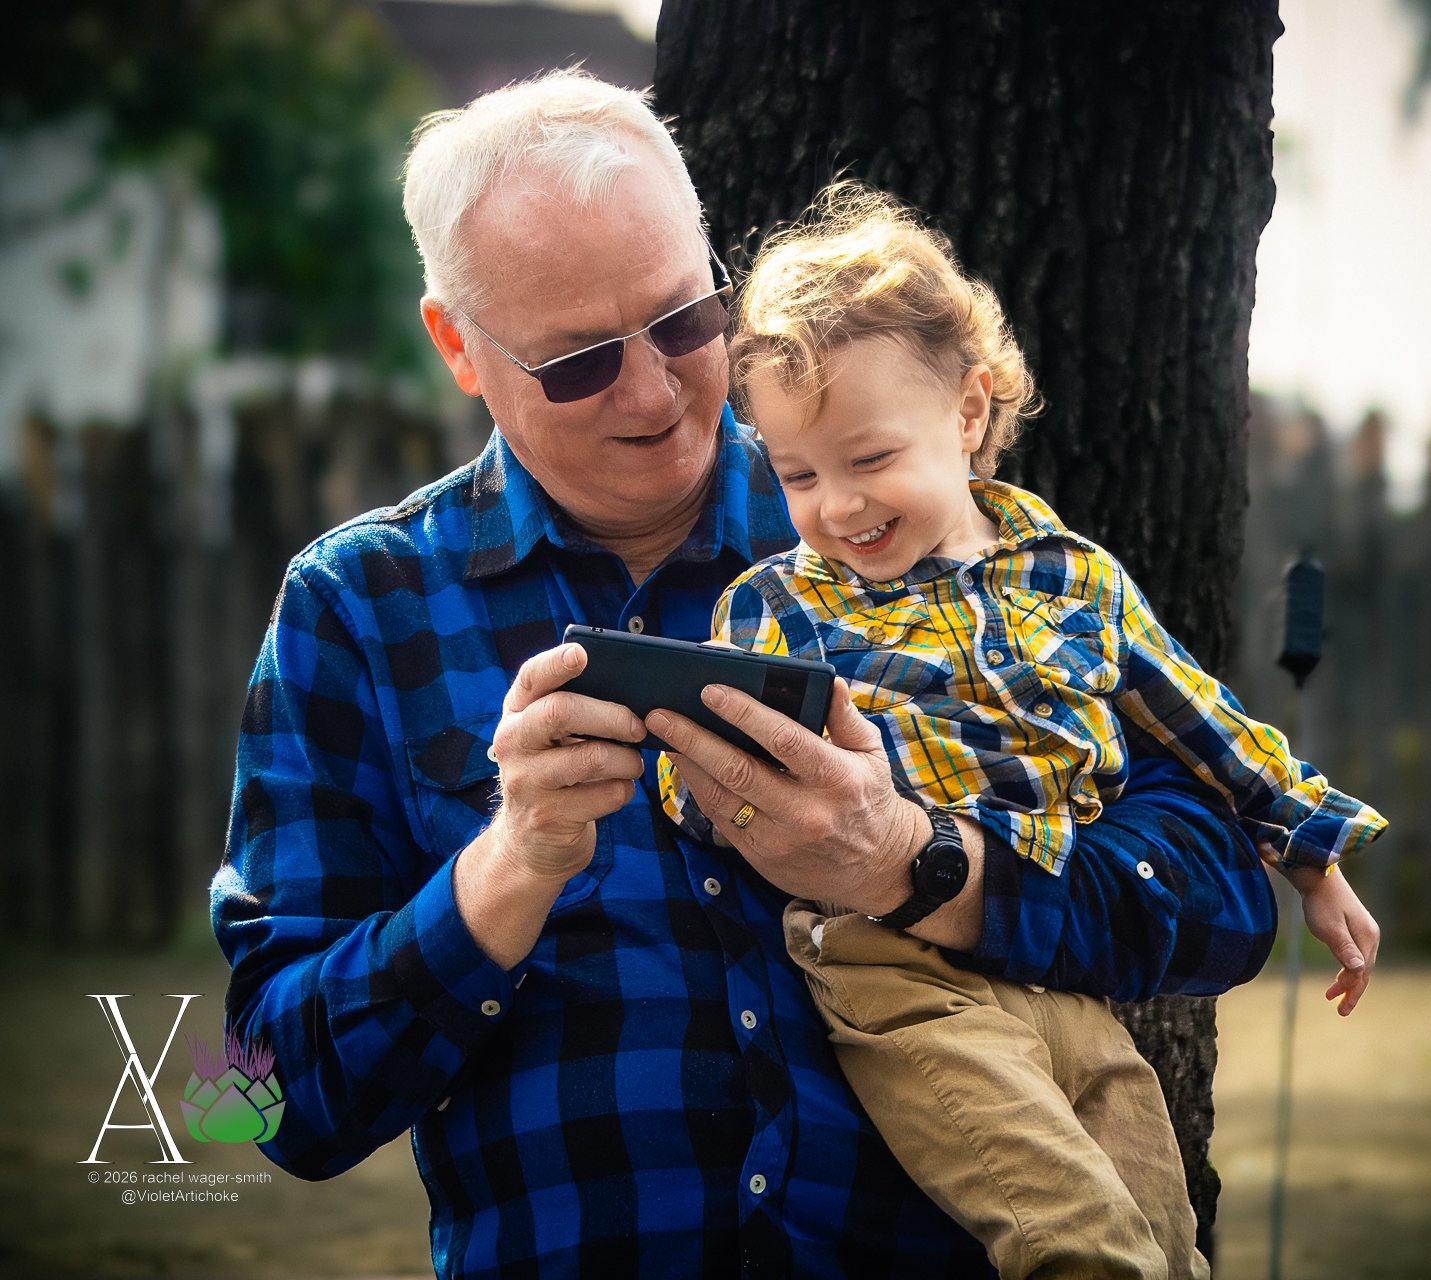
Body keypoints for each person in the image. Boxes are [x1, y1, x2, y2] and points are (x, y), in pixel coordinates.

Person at [214, 69, 1237, 1279]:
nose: (653, 391)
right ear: (459, 349)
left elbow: (1216, 888)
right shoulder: (358, 606)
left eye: (685, 319)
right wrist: (504, 872)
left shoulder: (898, 514)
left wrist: (915, 864)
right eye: (579, 362)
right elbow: (261, 1101)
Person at [656, 184, 1387, 1279]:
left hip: (1067, 977)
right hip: (901, 975)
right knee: (1078, 1248)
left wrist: (1311, 854)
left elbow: (1206, 724)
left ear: (965, 412)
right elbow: (714, 764)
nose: (835, 505)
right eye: (797, 473)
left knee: (1168, 1244)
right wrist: (714, 792)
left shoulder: (1073, 578)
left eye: (868, 459)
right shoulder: (782, 605)